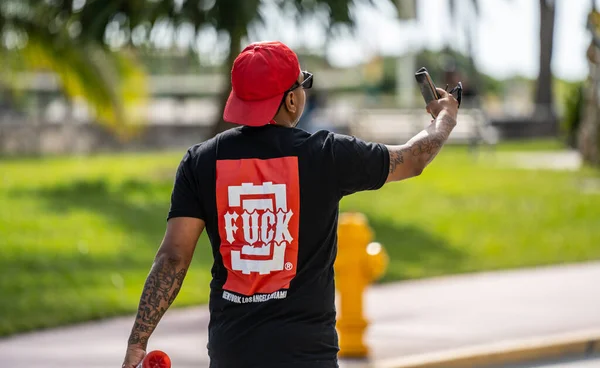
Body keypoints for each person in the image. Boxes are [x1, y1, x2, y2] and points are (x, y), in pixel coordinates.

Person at [121, 41, 459, 368]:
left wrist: (137, 343)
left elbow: (173, 257)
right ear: (292, 101)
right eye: (302, 84)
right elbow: (413, 159)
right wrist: (444, 117)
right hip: (306, 355)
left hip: (232, 354)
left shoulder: (200, 162)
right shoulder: (326, 155)